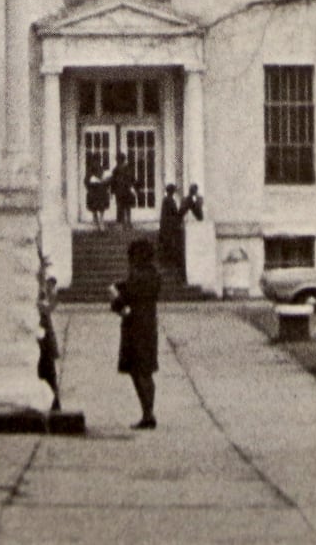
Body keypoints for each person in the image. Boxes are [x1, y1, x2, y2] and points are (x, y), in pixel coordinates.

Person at [111, 237, 161, 429]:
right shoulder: (154, 274)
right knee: (146, 371)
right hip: (149, 324)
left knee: (138, 371)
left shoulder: (136, 274)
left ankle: (148, 414)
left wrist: (115, 298)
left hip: (134, 326)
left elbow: (126, 299)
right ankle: (148, 412)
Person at [37, 273, 62, 411]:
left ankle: (54, 404)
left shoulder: (45, 286)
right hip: (38, 328)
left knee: (47, 370)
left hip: (43, 331)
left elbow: (50, 305)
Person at [158, 184, 185, 279]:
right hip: (169, 227)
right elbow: (175, 213)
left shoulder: (166, 200)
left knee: (167, 245)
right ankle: (168, 266)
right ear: (171, 191)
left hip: (166, 226)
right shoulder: (169, 200)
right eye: (173, 190)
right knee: (169, 245)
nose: (174, 192)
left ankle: (167, 264)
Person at [84, 155, 111, 227]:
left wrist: (105, 181)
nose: (96, 163)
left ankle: (101, 221)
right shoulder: (90, 170)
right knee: (94, 208)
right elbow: (86, 181)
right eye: (95, 161)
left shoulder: (102, 169)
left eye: (98, 161)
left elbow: (108, 181)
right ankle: (96, 221)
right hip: (94, 191)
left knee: (101, 208)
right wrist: (91, 182)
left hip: (101, 191)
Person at [111, 151, 135, 228]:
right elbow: (132, 179)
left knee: (120, 207)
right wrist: (132, 188)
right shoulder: (128, 168)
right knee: (127, 207)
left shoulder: (115, 170)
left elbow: (113, 182)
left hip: (120, 191)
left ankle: (122, 223)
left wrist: (112, 191)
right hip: (127, 190)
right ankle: (128, 222)